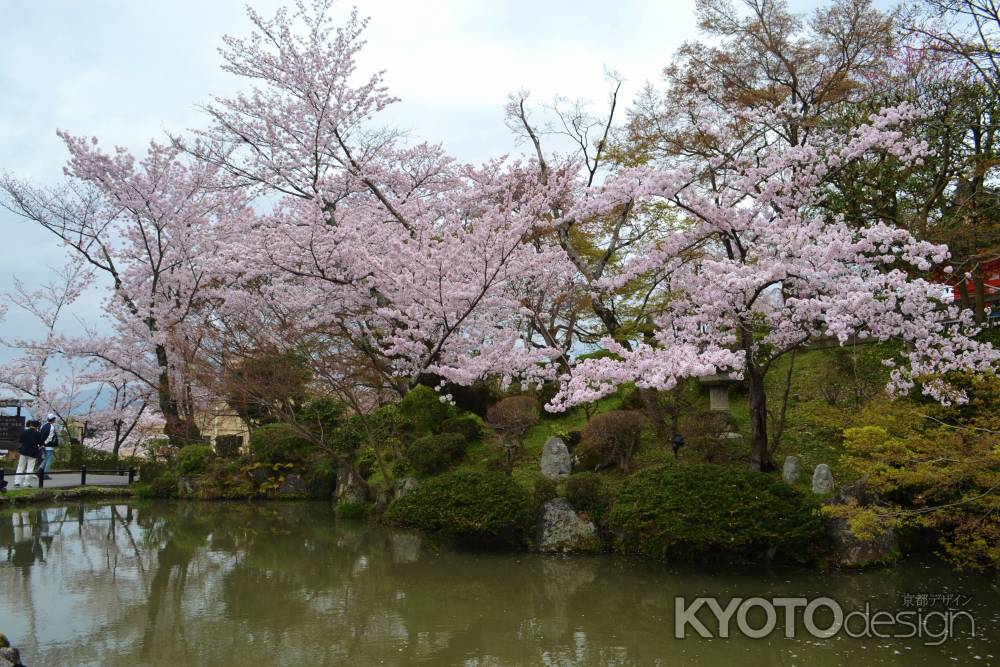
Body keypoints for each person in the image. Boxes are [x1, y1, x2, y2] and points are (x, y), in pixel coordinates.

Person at [14, 421, 41, 488]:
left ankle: (17, 482)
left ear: (31, 424)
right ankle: (26, 482)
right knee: (30, 468)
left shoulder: (24, 432)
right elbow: (41, 444)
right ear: (37, 426)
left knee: (20, 467)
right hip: (33, 452)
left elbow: (20, 441)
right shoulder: (38, 434)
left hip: (23, 451)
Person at [37, 414, 58, 480]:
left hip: (42, 445)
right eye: (54, 419)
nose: (55, 420)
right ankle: (45, 474)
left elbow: (40, 435)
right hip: (48, 446)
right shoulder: (51, 427)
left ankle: (39, 470)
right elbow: (50, 437)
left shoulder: (43, 426)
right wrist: (44, 444)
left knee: (45, 458)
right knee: (49, 460)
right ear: (53, 419)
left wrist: (40, 444)